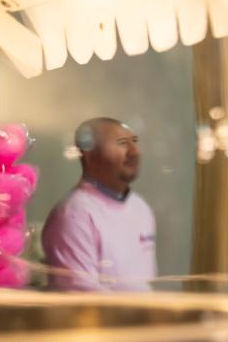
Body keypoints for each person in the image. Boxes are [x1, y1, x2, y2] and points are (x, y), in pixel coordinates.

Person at [42, 117, 156, 290]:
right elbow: (82, 296)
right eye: (123, 143)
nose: (134, 152)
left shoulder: (141, 208)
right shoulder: (74, 214)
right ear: (91, 156)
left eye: (135, 142)